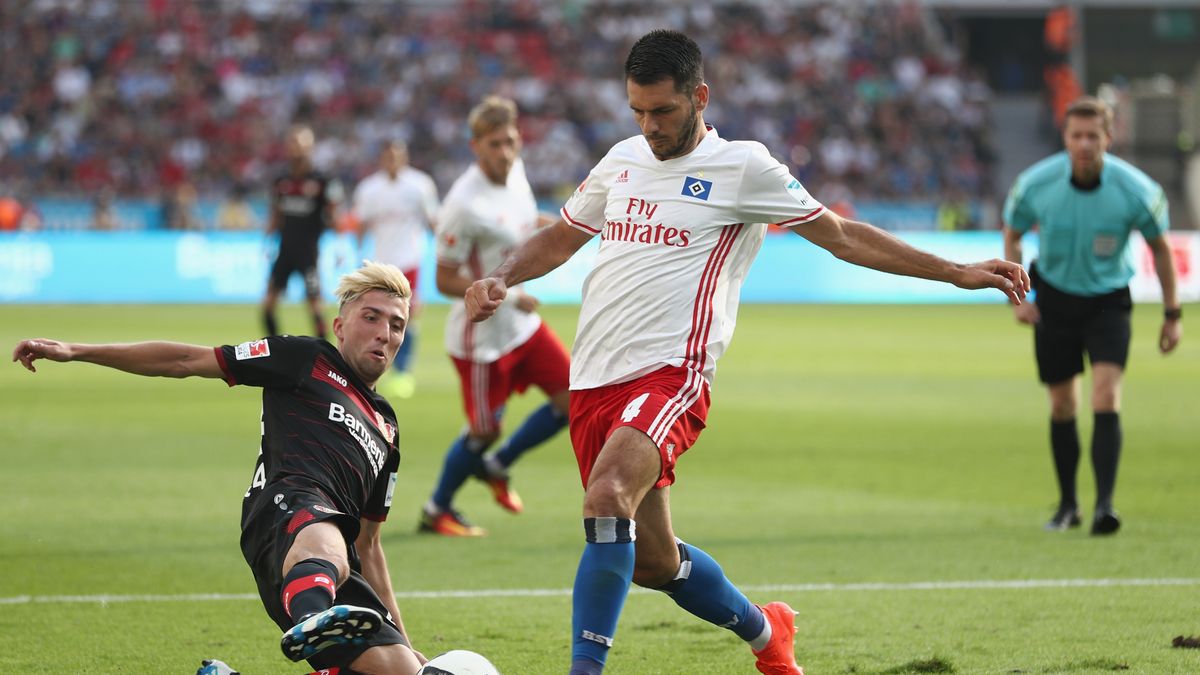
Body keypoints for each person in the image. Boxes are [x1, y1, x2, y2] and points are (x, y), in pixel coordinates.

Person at [463, 30, 1029, 675]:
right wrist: (503, 275)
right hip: (595, 380)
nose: (649, 126)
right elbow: (563, 236)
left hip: (671, 374)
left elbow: (842, 237)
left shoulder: (745, 167)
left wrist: (954, 272)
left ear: (700, 96)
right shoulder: (622, 158)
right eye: (638, 112)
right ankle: (768, 635)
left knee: (606, 497)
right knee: (651, 561)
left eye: (663, 111)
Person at [13, 261, 427, 675]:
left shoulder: (387, 427)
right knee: (328, 542)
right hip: (286, 513)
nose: (383, 334)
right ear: (339, 325)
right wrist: (74, 351)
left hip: (334, 562)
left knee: (399, 671)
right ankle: (310, 619)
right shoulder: (305, 359)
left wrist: (406, 644)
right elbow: (184, 360)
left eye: (396, 325)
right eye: (370, 318)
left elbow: (369, 544)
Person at [1002, 96, 1182, 536]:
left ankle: (1105, 506)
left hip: (1108, 301)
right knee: (1062, 403)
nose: (1084, 144)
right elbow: (1013, 233)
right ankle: (1068, 505)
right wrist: (1018, 298)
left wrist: (1172, 314)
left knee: (1106, 395)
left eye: (1092, 136)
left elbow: (1160, 249)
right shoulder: (1036, 184)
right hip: (1056, 300)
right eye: (1076, 136)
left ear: (1109, 138)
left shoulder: (1137, 190)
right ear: (1065, 138)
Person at [419, 96, 571, 537]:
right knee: (485, 430)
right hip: (480, 338)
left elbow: (520, 224)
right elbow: (445, 279)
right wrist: (505, 296)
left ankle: (498, 466)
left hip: (522, 326)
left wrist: (556, 226)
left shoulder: (517, 174)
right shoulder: (464, 205)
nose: (504, 153)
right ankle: (436, 509)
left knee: (573, 399)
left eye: (510, 142)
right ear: (475, 146)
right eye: (493, 145)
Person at [351, 140, 440, 399]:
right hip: (377, 262)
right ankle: (366, 366)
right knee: (370, 315)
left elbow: (432, 221)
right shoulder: (369, 189)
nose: (393, 161)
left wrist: (440, 251)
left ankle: (403, 372)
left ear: (404, 158)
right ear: (382, 158)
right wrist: (355, 252)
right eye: (388, 156)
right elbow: (362, 223)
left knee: (408, 316)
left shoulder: (420, 185)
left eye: (397, 156)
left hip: (408, 261)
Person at [262, 125, 341, 341]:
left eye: (301, 143)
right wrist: (267, 240)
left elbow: (334, 216)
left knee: (315, 306)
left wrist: (340, 246)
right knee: (267, 305)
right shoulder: (281, 181)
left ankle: (325, 355)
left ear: (310, 147)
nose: (296, 147)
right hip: (284, 250)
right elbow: (276, 214)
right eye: (293, 142)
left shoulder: (322, 180)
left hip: (308, 253)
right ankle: (275, 352)